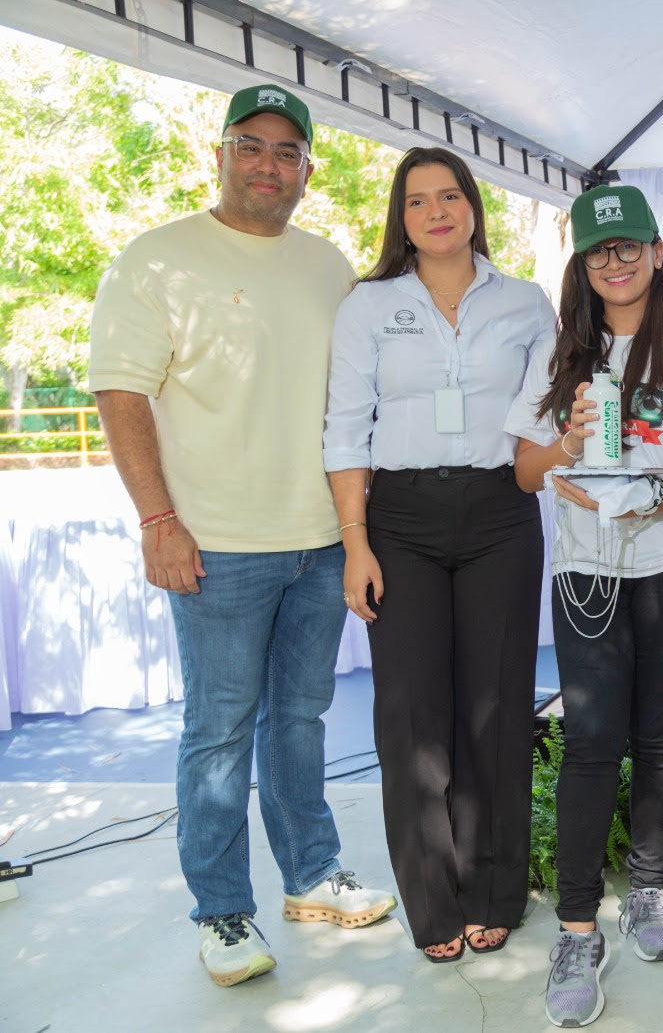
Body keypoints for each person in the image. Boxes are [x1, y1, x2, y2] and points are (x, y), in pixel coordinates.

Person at [88, 84, 395, 988]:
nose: (268, 165)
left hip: (321, 540)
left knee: (298, 720)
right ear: (217, 153)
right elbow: (120, 393)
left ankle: (310, 876)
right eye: (250, 146)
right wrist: (158, 520)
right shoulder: (155, 259)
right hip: (215, 546)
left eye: (287, 152)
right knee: (218, 731)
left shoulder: (328, 264)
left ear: (308, 168)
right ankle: (222, 912)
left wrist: (356, 529)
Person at [506, 184, 663, 1028]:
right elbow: (528, 472)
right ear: (584, 263)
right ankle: (575, 930)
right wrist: (568, 438)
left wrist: (655, 502)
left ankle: (646, 891)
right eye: (600, 250)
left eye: (628, 246)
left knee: (661, 737)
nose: (615, 261)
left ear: (656, 252)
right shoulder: (561, 348)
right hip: (589, 572)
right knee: (590, 744)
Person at [322, 147, 553, 963]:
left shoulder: (526, 301)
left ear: (473, 207)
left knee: (495, 709)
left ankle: (494, 892)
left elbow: (546, 422)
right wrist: (356, 543)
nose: (436, 212)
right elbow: (345, 428)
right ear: (402, 217)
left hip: (500, 511)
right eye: (418, 201)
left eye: (449, 195)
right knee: (412, 718)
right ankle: (433, 904)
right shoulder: (368, 305)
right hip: (401, 519)